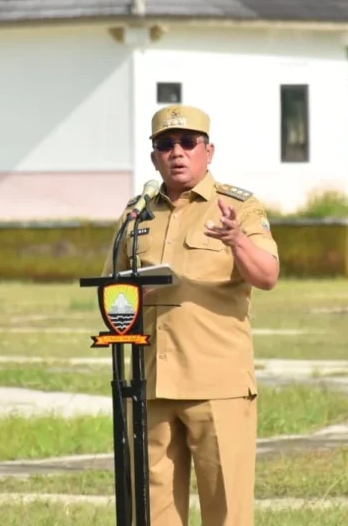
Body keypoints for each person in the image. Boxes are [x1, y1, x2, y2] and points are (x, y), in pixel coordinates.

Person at [101, 104, 280, 526]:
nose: (176, 152)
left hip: (216, 383)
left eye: (188, 142)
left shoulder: (238, 207)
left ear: (208, 151)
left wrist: (237, 241)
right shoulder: (138, 213)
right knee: (153, 512)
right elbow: (111, 291)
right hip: (152, 384)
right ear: (153, 157)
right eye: (165, 144)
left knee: (227, 512)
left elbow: (268, 275)